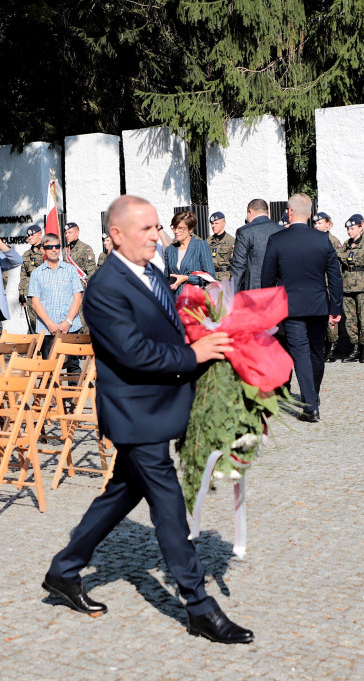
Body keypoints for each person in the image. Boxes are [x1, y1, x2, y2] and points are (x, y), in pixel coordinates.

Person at [43, 194, 251, 645]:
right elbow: (132, 352)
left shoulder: (152, 271)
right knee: (169, 508)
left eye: (158, 227)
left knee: (121, 493)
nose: (157, 236)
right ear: (116, 235)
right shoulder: (104, 288)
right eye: (147, 229)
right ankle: (199, 606)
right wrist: (192, 355)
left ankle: (63, 570)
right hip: (135, 414)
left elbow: (167, 326)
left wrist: (206, 333)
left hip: (161, 406)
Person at [261, 193, 343, 423]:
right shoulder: (322, 240)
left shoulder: (277, 240)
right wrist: (335, 306)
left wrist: (268, 310)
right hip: (318, 305)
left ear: (290, 212)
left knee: (300, 354)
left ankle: (311, 406)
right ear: (309, 215)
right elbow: (335, 276)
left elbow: (267, 279)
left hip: (291, 307)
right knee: (316, 352)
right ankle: (312, 396)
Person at [28, 233, 82, 371]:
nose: (54, 249)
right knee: (48, 369)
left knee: (73, 367)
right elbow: (35, 302)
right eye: (49, 247)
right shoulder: (37, 273)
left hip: (70, 327)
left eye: (57, 246)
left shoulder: (71, 270)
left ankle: (73, 393)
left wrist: (68, 322)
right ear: (43, 250)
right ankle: (50, 393)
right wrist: (49, 324)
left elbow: (78, 297)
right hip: (47, 330)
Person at [338, 214, 364, 363]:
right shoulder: (347, 244)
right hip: (347, 287)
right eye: (348, 229)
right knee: (350, 319)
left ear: (362, 226)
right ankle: (354, 347)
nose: (350, 231)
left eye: (352, 228)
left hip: (363, 287)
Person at [230, 198, 282, 292]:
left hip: (254, 293)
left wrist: (231, 296)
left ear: (250, 212)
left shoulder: (244, 232)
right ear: (267, 213)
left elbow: (238, 267)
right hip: (278, 292)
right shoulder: (282, 231)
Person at [313, 212, 343, 360]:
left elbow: (336, 269)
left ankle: (333, 345)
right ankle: (322, 344)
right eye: (315, 224)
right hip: (318, 284)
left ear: (328, 224)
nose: (317, 226)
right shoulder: (313, 240)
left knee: (331, 315)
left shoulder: (333, 241)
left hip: (330, 284)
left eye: (320, 223)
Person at [163, 212, 215, 290]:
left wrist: (187, 278)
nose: (176, 231)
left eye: (181, 228)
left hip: (194, 298)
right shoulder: (170, 249)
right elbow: (167, 276)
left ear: (190, 229)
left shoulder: (200, 245)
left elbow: (210, 277)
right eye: (174, 227)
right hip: (176, 298)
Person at [17, 224, 45, 331]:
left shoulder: (46, 252)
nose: (29, 238)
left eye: (32, 235)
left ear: (39, 235)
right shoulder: (26, 255)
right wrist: (21, 293)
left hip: (44, 294)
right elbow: (23, 274)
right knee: (33, 322)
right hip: (30, 293)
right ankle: (39, 346)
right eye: (28, 236)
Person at [207, 211, 235, 282]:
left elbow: (235, 263)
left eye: (216, 223)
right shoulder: (208, 241)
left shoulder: (231, 241)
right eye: (212, 223)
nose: (213, 226)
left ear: (223, 224)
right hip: (210, 279)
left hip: (225, 279)